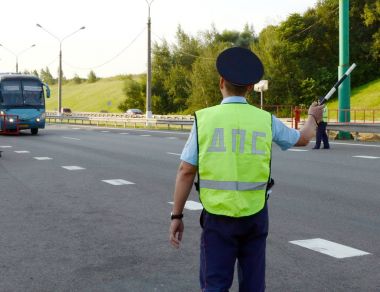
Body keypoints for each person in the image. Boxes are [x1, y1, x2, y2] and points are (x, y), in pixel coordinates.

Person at [169, 47, 324, 292]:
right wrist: (313, 117)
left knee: (215, 285)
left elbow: (185, 171)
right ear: (251, 88)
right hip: (255, 214)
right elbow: (303, 138)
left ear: (221, 82)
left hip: (217, 216)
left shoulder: (205, 119)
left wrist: (176, 216)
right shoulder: (265, 119)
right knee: (253, 285)